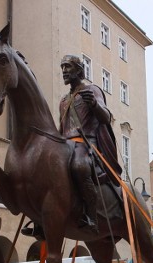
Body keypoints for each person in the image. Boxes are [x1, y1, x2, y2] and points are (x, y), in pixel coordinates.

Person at [59, 54, 121, 233]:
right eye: (62, 67)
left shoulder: (92, 90)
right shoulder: (63, 100)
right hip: (66, 145)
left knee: (79, 165)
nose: (64, 71)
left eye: (68, 67)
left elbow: (106, 117)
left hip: (86, 143)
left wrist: (94, 104)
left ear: (79, 70)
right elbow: (61, 127)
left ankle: (92, 215)